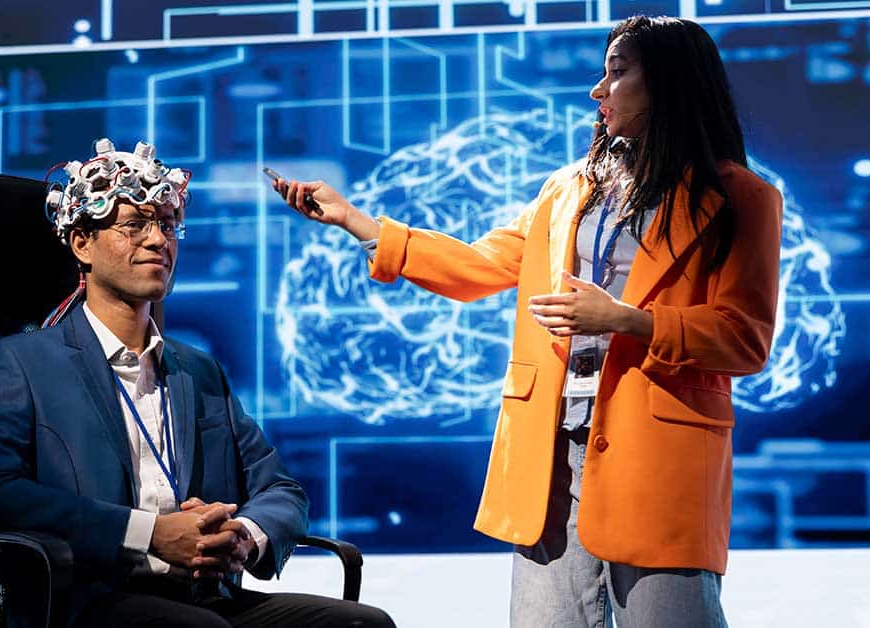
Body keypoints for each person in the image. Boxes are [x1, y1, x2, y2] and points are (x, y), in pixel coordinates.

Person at [273, 15, 782, 627]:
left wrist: (630, 321)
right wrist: (359, 222)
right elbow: (479, 266)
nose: (598, 90)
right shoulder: (567, 189)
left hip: (660, 457)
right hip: (549, 454)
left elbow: (744, 338)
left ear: (671, 83)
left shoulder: (740, 198)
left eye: (618, 73)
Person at [0, 138, 395, 628]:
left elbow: (282, 490)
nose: (157, 240)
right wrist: (150, 534)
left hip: (206, 596)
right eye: (134, 225)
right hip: (93, 598)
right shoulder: (23, 362)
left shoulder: (198, 370)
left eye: (166, 225)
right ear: (82, 245)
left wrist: (245, 536)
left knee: (361, 625)